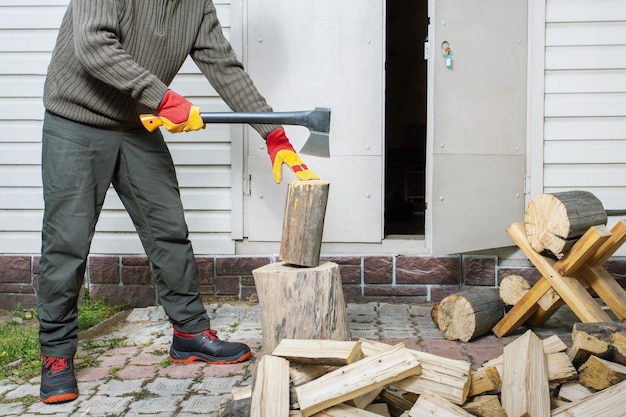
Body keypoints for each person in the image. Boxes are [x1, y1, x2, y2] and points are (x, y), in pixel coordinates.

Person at [37, 0, 318, 404]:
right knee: (68, 241)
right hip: (75, 122)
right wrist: (164, 99)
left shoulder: (197, 5)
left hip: (136, 125)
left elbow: (224, 65)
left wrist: (273, 134)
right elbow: (93, 46)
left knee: (168, 229)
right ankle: (57, 355)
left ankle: (189, 333)